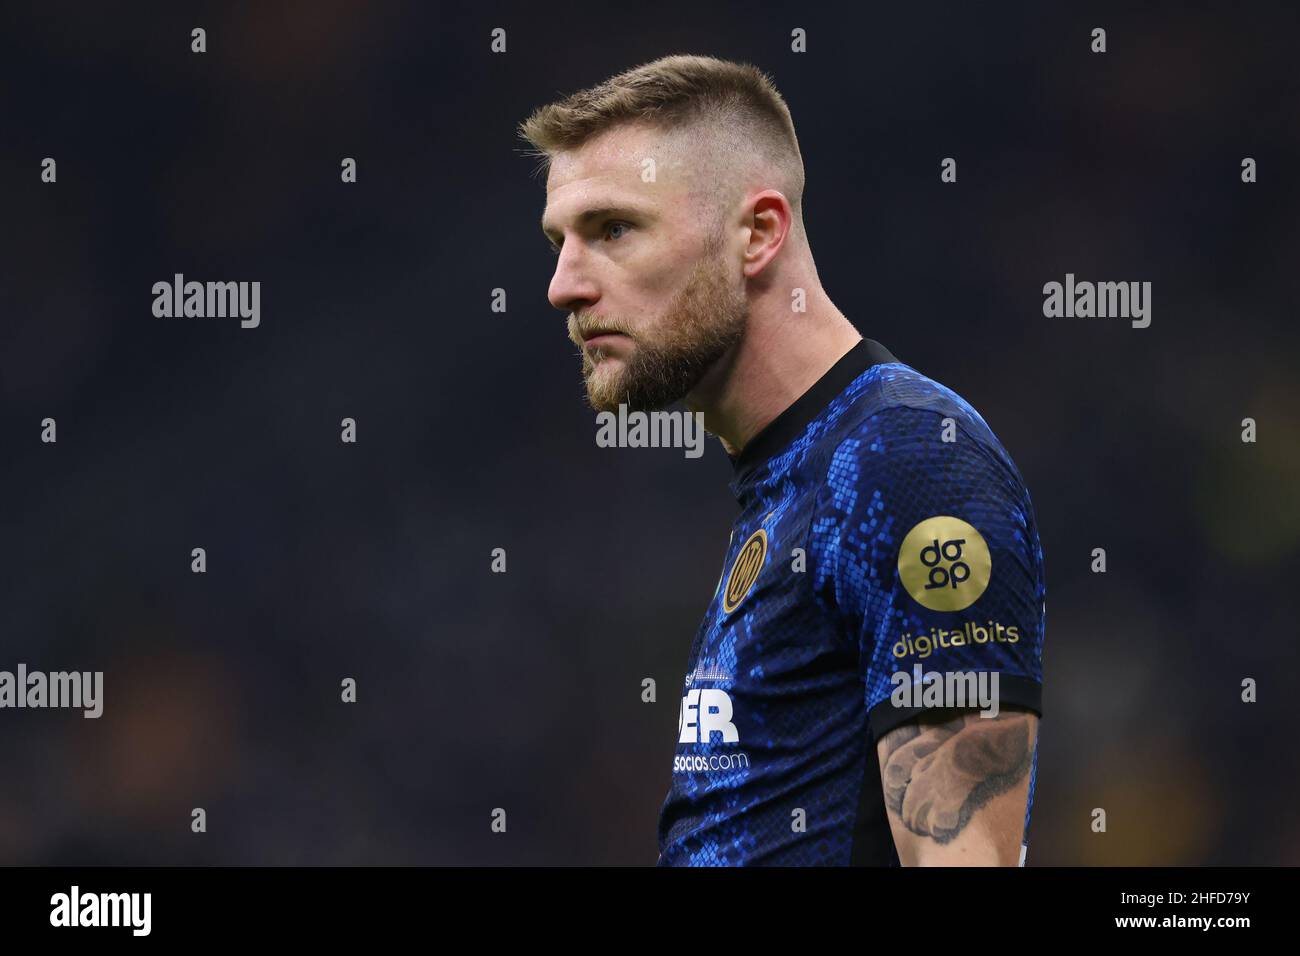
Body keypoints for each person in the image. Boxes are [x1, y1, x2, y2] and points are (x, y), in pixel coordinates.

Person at [520, 54, 1045, 866]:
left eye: (613, 229)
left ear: (759, 233)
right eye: (560, 241)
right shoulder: (792, 476)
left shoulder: (905, 461)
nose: (563, 285)